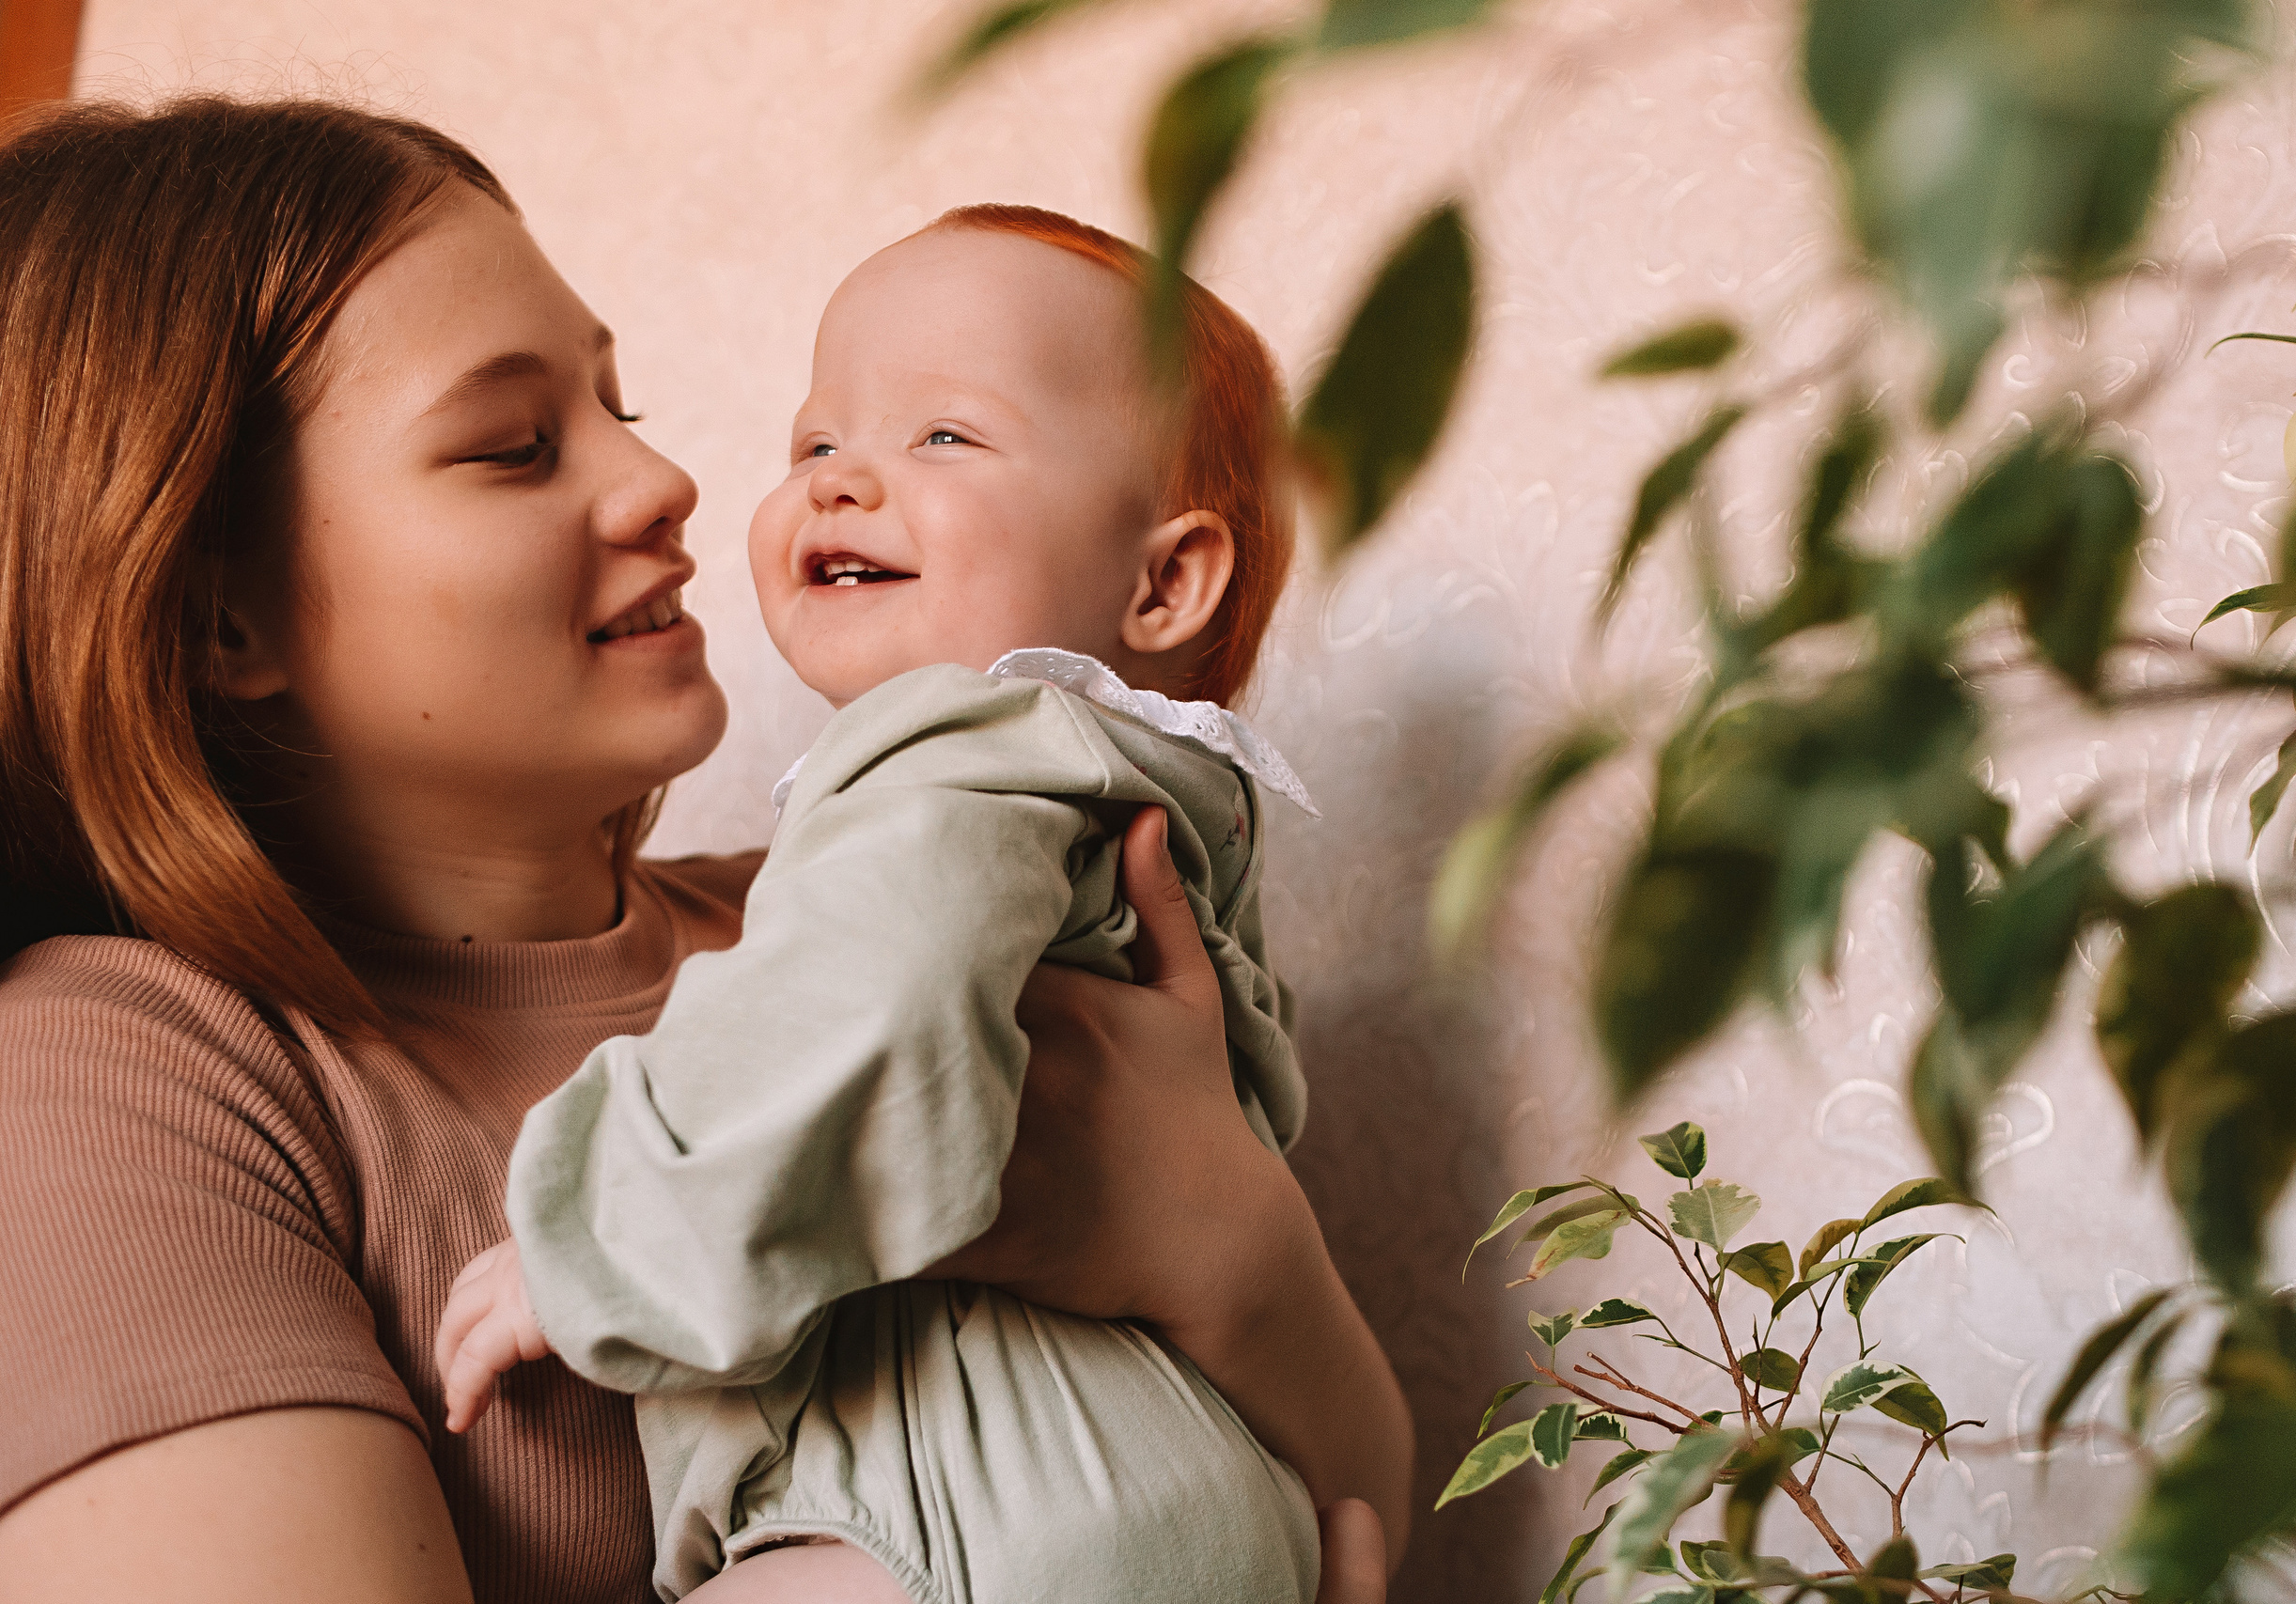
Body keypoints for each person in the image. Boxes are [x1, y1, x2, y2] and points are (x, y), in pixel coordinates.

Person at [0, 95, 1408, 1604]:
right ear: (222, 618)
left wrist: (1226, 1244)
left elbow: (1367, 1512)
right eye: (516, 445)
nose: (664, 485)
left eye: (627, 410)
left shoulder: (882, 899)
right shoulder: (122, 1074)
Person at [432, 205, 1396, 1604]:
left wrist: (606, 1245)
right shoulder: (1147, 805)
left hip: (974, 1524)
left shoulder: (962, 750)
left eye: (944, 437)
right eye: (816, 442)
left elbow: (863, 1007)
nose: (840, 482)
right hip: (1180, 1500)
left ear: (1166, 577)